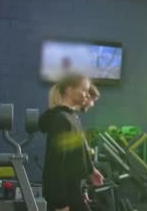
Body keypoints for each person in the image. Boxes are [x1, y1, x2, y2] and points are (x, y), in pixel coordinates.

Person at [39, 74, 104, 211]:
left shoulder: (72, 118)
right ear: (69, 90)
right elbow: (56, 163)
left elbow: (79, 151)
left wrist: (91, 171)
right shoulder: (61, 120)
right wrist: (60, 203)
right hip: (64, 197)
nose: (87, 95)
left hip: (75, 192)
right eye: (84, 90)